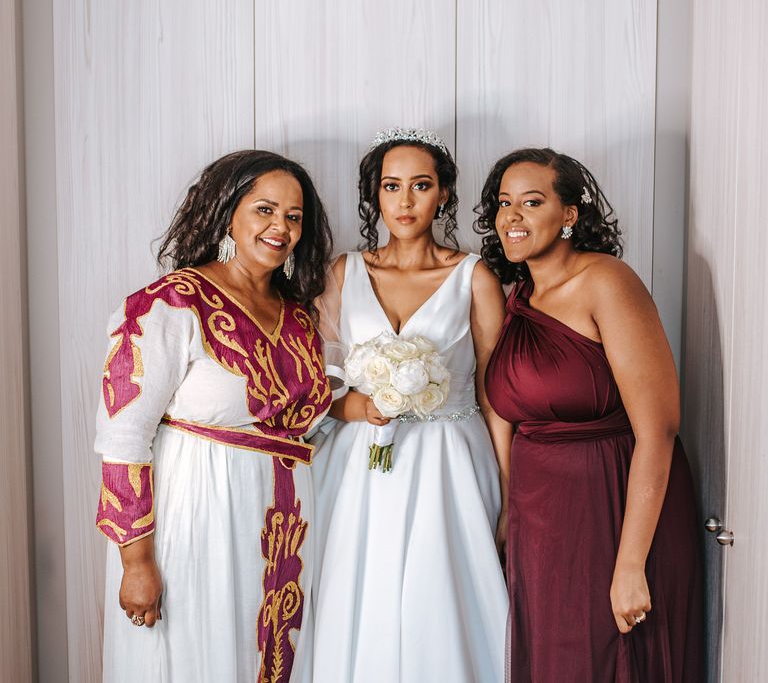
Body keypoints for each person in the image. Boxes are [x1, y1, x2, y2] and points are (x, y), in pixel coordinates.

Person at [94, 150, 334, 682]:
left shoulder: (299, 317)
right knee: (198, 655)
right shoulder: (171, 304)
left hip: (286, 524)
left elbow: (310, 412)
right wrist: (136, 563)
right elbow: (123, 437)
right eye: (265, 210)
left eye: (294, 216)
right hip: (198, 514)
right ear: (229, 212)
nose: (281, 228)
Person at [476, 147, 703, 681]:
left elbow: (659, 430)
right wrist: (509, 512)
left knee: (614, 658)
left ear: (570, 215)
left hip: (613, 503)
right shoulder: (519, 294)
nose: (513, 216)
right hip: (543, 521)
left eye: (531, 202)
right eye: (504, 203)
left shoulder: (606, 281)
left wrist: (630, 565)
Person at [307, 128, 509, 682]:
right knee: (359, 585)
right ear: (375, 195)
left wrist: (511, 493)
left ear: (442, 193)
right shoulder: (344, 273)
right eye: (391, 186)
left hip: (450, 459)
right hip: (359, 463)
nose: (404, 201)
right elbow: (320, 381)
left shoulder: (474, 277)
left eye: (420, 186)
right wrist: (362, 408)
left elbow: (496, 393)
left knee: (436, 593)